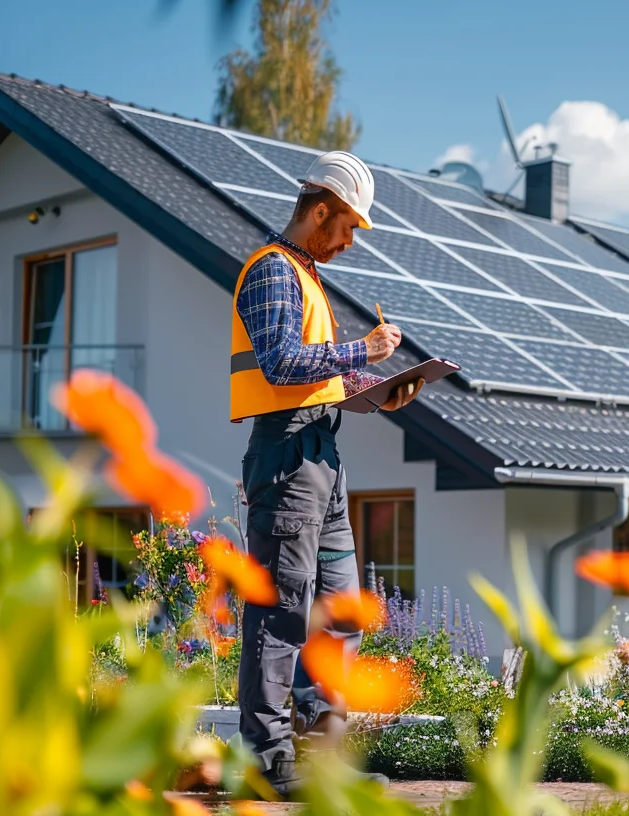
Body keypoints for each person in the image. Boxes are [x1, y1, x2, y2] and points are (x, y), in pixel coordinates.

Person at [229, 150, 424, 798]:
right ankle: (269, 760)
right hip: (284, 459)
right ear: (321, 210)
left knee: (338, 610)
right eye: (348, 227)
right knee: (281, 612)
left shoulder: (308, 279)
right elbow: (283, 364)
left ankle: (323, 757)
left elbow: (320, 375)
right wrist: (364, 349)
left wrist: (377, 386)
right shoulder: (271, 272)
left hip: (322, 456)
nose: (349, 242)